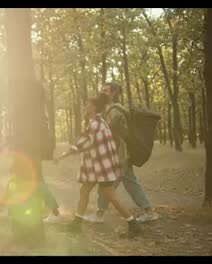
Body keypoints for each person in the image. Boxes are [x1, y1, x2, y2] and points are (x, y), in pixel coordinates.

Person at [55, 94, 142, 237]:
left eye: (87, 105)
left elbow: (80, 145)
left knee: (111, 196)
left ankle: (133, 224)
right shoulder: (100, 121)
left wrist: (61, 156)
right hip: (99, 167)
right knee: (84, 190)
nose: (85, 107)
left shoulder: (95, 124)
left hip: (103, 167)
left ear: (94, 107)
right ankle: (76, 224)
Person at [84, 83, 159, 223]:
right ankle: (148, 211)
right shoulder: (114, 109)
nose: (103, 93)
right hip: (123, 154)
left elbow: (112, 133)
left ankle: (100, 214)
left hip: (119, 155)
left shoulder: (114, 110)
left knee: (107, 185)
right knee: (127, 182)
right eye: (102, 90)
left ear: (114, 93)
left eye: (106, 91)